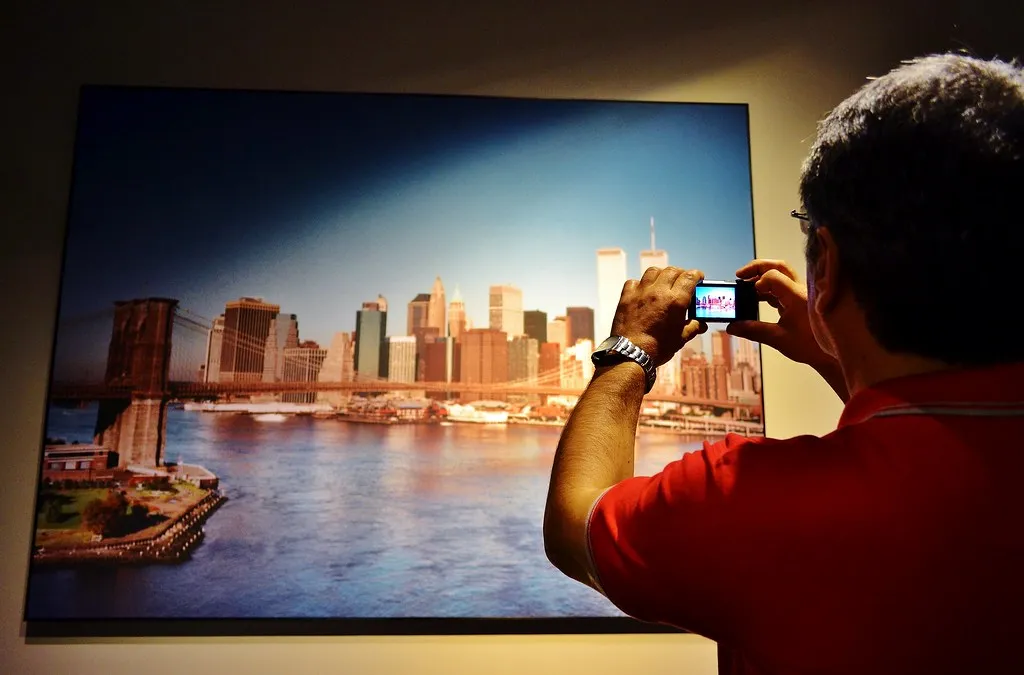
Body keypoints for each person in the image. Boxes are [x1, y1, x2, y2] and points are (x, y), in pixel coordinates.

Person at [543, 52, 1024, 675]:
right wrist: (838, 353)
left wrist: (629, 351)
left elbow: (575, 523)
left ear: (827, 263)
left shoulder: (745, 500)